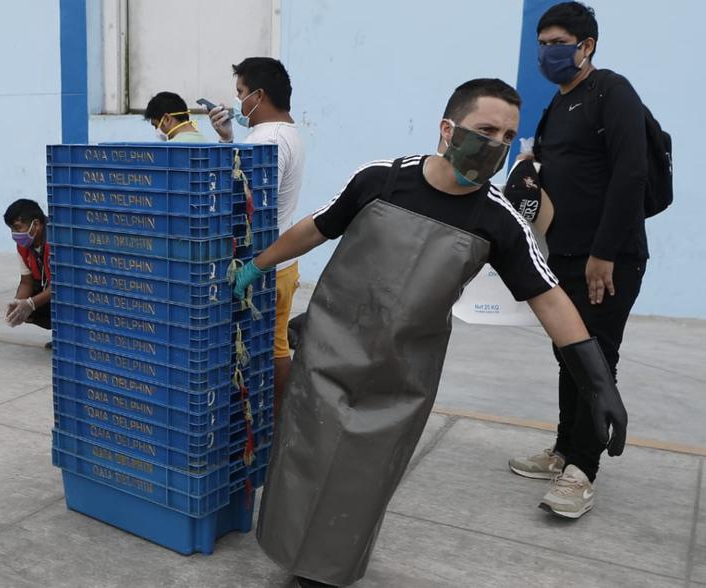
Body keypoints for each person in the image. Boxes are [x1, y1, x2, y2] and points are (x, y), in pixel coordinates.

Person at [231, 78, 628, 588]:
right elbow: (317, 226)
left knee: (362, 480)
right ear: (448, 128)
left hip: (401, 379)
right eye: (486, 129)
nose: (497, 144)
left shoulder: (500, 220)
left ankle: (322, 574)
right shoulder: (381, 180)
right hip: (328, 351)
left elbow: (549, 297)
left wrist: (597, 381)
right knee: (303, 459)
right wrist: (258, 265)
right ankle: (287, 548)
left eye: (508, 136)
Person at [508, 2, 648, 520]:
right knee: (569, 354)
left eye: (558, 43)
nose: (547, 53)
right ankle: (565, 448)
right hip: (563, 254)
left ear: (586, 46)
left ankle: (582, 471)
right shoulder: (558, 103)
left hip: (608, 258)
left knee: (595, 360)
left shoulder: (612, 91)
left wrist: (604, 253)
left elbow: (631, 174)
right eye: (542, 44)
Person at [208, 57, 305, 416]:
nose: (237, 101)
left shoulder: (269, 139)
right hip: (281, 263)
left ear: (259, 95)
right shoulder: (287, 132)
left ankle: (280, 421)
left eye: (241, 92)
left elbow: (247, 202)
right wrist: (228, 140)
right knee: (271, 346)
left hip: (264, 266)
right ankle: (275, 419)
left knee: (274, 350)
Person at [3, 199, 51, 343]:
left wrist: (31, 303)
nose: (14, 234)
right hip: (49, 288)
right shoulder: (24, 246)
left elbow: (62, 285)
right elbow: (26, 282)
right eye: (11, 229)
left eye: (17, 228)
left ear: (36, 224)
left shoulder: (56, 241)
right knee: (25, 312)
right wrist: (18, 303)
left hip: (69, 291)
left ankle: (66, 335)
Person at [143, 92, 208, 143]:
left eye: (156, 126)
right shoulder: (205, 143)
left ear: (167, 119)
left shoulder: (169, 149)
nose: (156, 130)